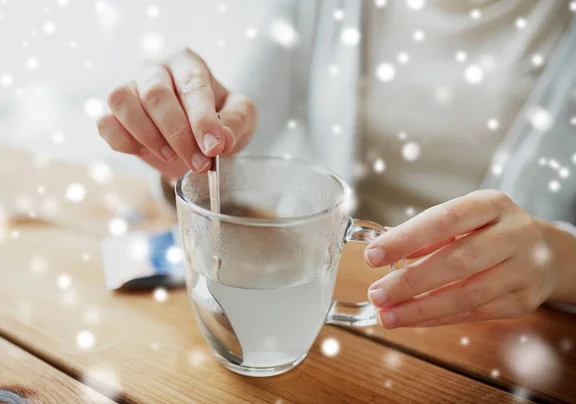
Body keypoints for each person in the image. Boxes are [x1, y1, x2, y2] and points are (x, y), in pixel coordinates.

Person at [96, 1, 576, 328]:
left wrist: (558, 260)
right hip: (321, 306)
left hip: (515, 335)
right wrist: (185, 149)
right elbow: (233, 142)